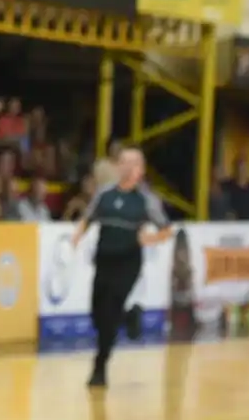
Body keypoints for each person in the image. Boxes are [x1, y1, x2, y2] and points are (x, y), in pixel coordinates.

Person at [70, 147, 173, 388]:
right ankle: (129, 317)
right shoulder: (104, 194)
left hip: (128, 262)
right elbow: (89, 217)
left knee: (111, 310)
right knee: (97, 313)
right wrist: (77, 236)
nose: (127, 167)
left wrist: (151, 239)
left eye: (133, 163)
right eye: (123, 162)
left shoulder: (146, 200)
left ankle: (100, 366)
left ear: (141, 170)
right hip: (103, 260)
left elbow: (167, 229)